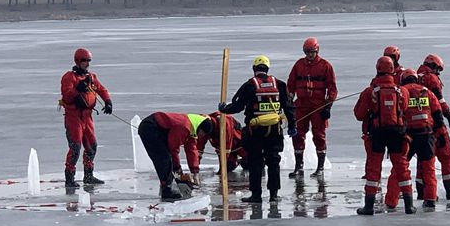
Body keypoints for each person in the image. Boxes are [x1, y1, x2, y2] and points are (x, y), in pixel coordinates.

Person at [219, 55, 296, 203]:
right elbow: (289, 107)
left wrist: (224, 109)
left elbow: (238, 106)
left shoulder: (250, 85)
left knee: (255, 162)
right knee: (273, 161)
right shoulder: (279, 84)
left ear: (254, 69)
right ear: (267, 69)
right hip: (274, 130)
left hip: (256, 131)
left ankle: (256, 195)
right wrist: (292, 125)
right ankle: (274, 195)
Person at [354, 56, 415, 215]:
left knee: (374, 169)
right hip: (397, 133)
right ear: (393, 70)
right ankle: (409, 205)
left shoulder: (370, 92)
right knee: (402, 168)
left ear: (377, 70)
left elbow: (359, 114)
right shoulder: (402, 91)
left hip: (377, 133)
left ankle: (369, 206)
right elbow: (405, 108)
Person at [384, 69, 444, 210]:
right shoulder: (427, 92)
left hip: (407, 137)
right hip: (426, 135)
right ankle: (430, 199)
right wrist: (439, 134)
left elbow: (395, 113)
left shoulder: (401, 92)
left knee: (398, 170)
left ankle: (391, 201)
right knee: (429, 170)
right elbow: (438, 114)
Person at [59, 48, 113, 189]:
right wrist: (79, 89)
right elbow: (67, 95)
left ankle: (88, 176)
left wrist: (108, 102)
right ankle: (69, 177)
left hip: (87, 117)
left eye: (88, 61)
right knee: (75, 147)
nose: (87, 63)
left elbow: (101, 89)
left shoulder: (91, 77)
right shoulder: (69, 77)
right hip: (74, 117)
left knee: (91, 146)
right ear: (77, 61)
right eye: (84, 60)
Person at [417, 54, 450, 200]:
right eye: (438, 69)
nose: (438, 73)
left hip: (419, 124)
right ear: (434, 66)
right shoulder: (431, 78)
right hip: (435, 122)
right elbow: (439, 101)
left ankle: (422, 191)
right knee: (446, 156)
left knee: (424, 158)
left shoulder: (415, 76)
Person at [287, 37, 337, 178]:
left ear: (317, 50)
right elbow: (290, 84)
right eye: (307, 52)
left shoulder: (325, 66)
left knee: (319, 135)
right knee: (297, 134)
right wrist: (289, 100)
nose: (310, 55)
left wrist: (328, 106)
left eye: (312, 52)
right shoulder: (298, 65)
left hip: (318, 106)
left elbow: (332, 88)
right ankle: (299, 166)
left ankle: (320, 167)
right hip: (301, 105)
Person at [137, 112, 213, 202]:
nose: (202, 136)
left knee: (166, 157)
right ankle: (166, 190)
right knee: (164, 158)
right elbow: (173, 148)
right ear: (199, 128)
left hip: (159, 130)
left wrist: (195, 171)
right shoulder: (183, 126)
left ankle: (167, 186)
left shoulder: (191, 129)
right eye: (203, 133)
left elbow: (191, 150)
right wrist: (177, 168)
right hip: (150, 127)